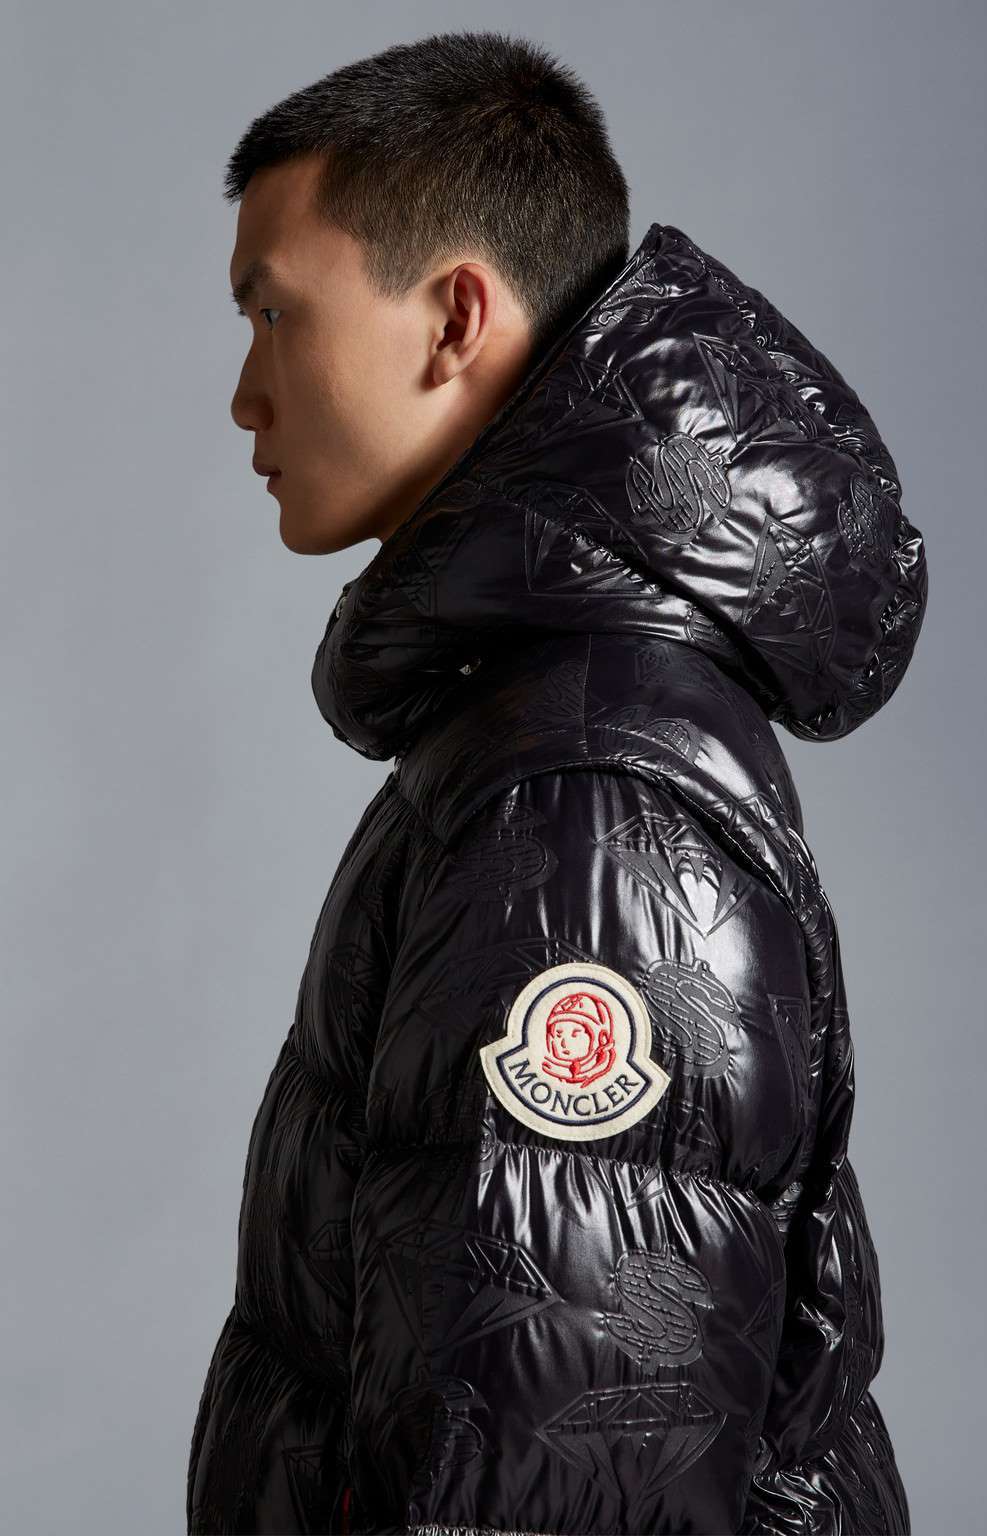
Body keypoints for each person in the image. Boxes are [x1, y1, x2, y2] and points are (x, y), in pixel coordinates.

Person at [187, 28, 927, 1536]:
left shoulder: (581, 803)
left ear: (455, 316)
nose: (246, 397)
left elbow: (562, 1489)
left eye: (274, 314)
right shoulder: (540, 724)